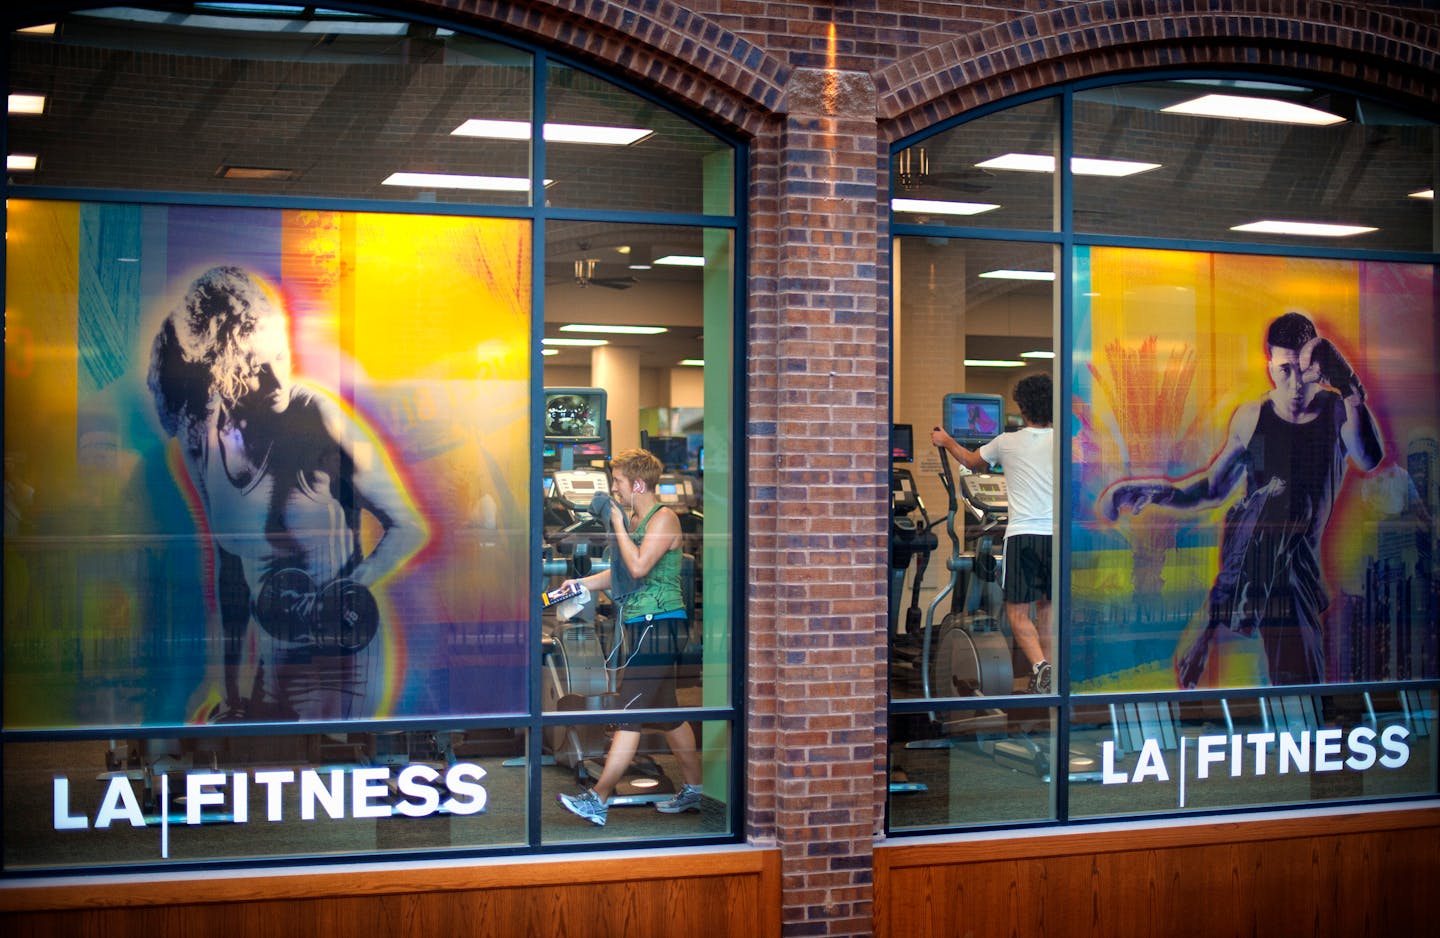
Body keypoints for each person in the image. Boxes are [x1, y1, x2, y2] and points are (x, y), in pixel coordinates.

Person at [147, 265, 427, 721]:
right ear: (220, 376)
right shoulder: (201, 440)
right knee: (281, 775)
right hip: (269, 662)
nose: (278, 380)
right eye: (257, 369)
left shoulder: (316, 415)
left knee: (329, 771)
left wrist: (343, 593)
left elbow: (407, 526)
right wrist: (230, 683)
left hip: (341, 654)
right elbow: (230, 572)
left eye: (280, 355)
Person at [1099, 312, 1383, 687]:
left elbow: (1368, 457)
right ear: (1270, 366)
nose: (1296, 382)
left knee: (1299, 687)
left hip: (1297, 574)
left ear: (1317, 368)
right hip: (1258, 572)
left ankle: (1215, 623)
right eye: (1285, 370)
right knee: (1290, 688)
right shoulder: (1252, 418)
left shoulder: (1336, 411)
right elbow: (1212, 490)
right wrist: (1155, 489)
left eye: (1303, 370)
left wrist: (1350, 390)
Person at [556, 448, 704, 827]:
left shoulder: (663, 518)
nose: (615, 489)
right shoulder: (637, 518)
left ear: (638, 483)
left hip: (660, 624)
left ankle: (597, 798)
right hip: (643, 624)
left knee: (628, 712)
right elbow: (621, 574)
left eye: (619, 482)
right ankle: (694, 789)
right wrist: (581, 584)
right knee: (667, 712)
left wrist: (618, 523)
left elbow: (638, 566)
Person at [931, 373, 1055, 694]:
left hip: (1023, 535)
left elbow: (973, 463)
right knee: (1047, 608)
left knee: (1016, 610)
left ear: (1022, 408)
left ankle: (1040, 667)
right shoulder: (1063, 442)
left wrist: (946, 441)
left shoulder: (1006, 442)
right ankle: (1051, 675)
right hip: (1055, 536)